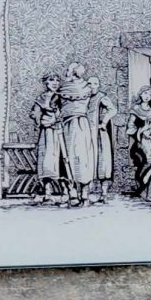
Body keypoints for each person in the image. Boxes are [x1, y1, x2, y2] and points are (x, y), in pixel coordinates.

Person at [57, 62, 115, 205]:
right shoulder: (75, 88)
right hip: (75, 125)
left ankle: (81, 192)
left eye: (69, 71)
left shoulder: (74, 88)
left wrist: (103, 122)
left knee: (80, 158)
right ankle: (76, 192)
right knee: (72, 157)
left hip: (79, 125)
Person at [30, 73, 65, 203]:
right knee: (47, 161)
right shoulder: (42, 98)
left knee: (62, 160)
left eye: (57, 80)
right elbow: (35, 113)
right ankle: (47, 192)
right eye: (51, 80)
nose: (55, 83)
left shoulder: (63, 97)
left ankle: (66, 192)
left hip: (61, 132)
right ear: (46, 82)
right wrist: (39, 119)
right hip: (47, 133)